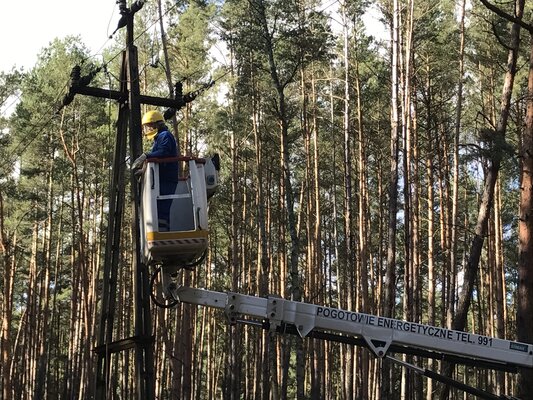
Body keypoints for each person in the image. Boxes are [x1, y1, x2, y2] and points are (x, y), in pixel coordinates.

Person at [132, 110, 180, 231]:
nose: (147, 129)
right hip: (162, 178)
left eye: (148, 126)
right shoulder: (160, 138)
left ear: (156, 124)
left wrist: (146, 156)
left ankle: (162, 234)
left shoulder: (165, 136)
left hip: (167, 179)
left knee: (162, 208)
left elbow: (163, 153)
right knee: (158, 208)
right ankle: (161, 232)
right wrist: (144, 171)